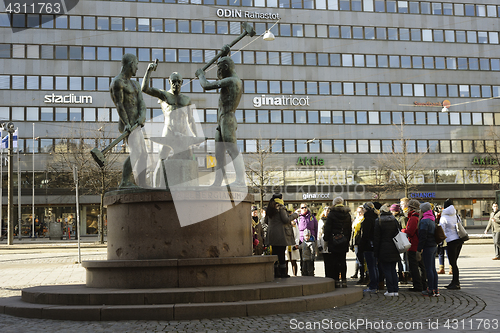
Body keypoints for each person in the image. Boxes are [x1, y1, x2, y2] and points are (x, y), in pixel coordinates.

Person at [195, 47, 245, 187]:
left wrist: (201, 74)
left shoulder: (232, 81)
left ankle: (240, 180)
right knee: (219, 153)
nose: (218, 73)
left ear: (226, 68)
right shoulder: (230, 78)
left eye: (219, 69)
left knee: (232, 148)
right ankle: (218, 181)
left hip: (228, 118)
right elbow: (226, 63)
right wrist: (224, 55)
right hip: (221, 120)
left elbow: (206, 85)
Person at [142, 64, 197, 187]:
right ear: (169, 81)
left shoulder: (186, 99)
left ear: (182, 82)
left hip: (183, 133)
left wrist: (195, 136)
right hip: (169, 132)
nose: (176, 84)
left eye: (178, 81)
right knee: (161, 161)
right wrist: (148, 71)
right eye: (173, 81)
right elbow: (144, 89)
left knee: (189, 160)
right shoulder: (164, 95)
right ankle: (156, 189)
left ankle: (188, 189)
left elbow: (191, 120)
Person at [110, 53, 147, 188]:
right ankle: (124, 182)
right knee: (137, 152)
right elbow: (119, 105)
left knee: (143, 154)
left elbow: (142, 103)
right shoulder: (117, 82)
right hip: (127, 125)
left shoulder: (136, 84)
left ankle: (142, 183)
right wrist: (127, 124)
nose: (137, 68)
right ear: (131, 64)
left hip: (137, 124)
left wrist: (142, 116)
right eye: (136, 65)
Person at [264, 193, 299, 278]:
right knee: (281, 253)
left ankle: (276, 272)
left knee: (275, 253)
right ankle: (283, 273)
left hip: (272, 235)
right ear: (280, 199)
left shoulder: (269, 208)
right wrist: (295, 215)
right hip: (281, 234)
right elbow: (286, 220)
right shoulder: (281, 208)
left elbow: (266, 221)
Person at [324, 197, 352, 288]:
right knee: (343, 261)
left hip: (334, 240)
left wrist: (326, 239)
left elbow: (327, 228)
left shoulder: (332, 214)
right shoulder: (347, 214)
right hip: (344, 240)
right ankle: (344, 280)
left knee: (335, 261)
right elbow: (349, 228)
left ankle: (336, 281)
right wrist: (347, 239)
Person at [374, 204, 401, 296]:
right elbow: (398, 233)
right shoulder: (394, 220)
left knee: (387, 270)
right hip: (394, 246)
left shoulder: (379, 221)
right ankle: (395, 290)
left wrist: (376, 253)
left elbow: (376, 238)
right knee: (393, 269)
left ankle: (390, 290)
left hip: (383, 248)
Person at [402, 199, 428, 292]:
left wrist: (403, 230)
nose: (406, 208)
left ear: (411, 208)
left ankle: (417, 286)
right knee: (421, 266)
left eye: (408, 206)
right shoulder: (419, 216)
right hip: (419, 245)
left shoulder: (413, 218)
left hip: (413, 245)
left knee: (414, 267)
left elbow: (410, 232)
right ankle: (424, 284)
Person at [439, 199, 463, 290]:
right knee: (454, 263)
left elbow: (442, 231)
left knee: (453, 263)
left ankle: (456, 283)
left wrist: (440, 243)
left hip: (451, 242)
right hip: (459, 240)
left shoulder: (444, 217)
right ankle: (455, 282)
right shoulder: (456, 215)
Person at [418, 202, 439, 297]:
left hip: (427, 246)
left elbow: (423, 236)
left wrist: (419, 249)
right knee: (433, 269)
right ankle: (435, 288)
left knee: (428, 269)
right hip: (433, 246)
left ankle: (430, 289)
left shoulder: (424, 221)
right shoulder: (432, 219)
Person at [360, 202, 379, 292]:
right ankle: (376, 284)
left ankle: (373, 286)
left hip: (369, 246)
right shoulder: (376, 218)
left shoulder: (367, 219)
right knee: (374, 266)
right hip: (375, 245)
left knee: (371, 266)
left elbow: (365, 235)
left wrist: (361, 246)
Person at [296, 203, 318, 276]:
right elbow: (295, 229)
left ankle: (311, 272)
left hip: (311, 240)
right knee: (303, 258)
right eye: (302, 207)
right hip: (302, 241)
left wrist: (315, 238)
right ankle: (303, 272)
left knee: (311, 257)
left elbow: (316, 227)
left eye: (305, 207)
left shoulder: (312, 217)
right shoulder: (298, 218)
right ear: (300, 209)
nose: (304, 209)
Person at [391, 204, 408, 284]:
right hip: (396, 241)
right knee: (399, 260)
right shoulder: (394, 218)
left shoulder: (402, 218)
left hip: (401, 240)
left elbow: (404, 229)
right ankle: (401, 275)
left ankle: (405, 276)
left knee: (403, 260)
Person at [350, 205, 365, 283]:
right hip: (355, 241)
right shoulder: (356, 220)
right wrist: (351, 243)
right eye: (358, 212)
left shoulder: (363, 220)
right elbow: (353, 232)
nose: (359, 213)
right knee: (357, 258)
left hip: (360, 242)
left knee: (361, 260)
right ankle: (356, 273)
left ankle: (362, 276)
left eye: (360, 212)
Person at [317, 206, 333, 278]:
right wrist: (319, 244)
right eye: (326, 210)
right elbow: (319, 233)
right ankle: (327, 276)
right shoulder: (321, 221)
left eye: (328, 210)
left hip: (332, 242)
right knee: (326, 261)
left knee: (332, 261)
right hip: (323, 242)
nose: (327, 212)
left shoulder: (333, 220)